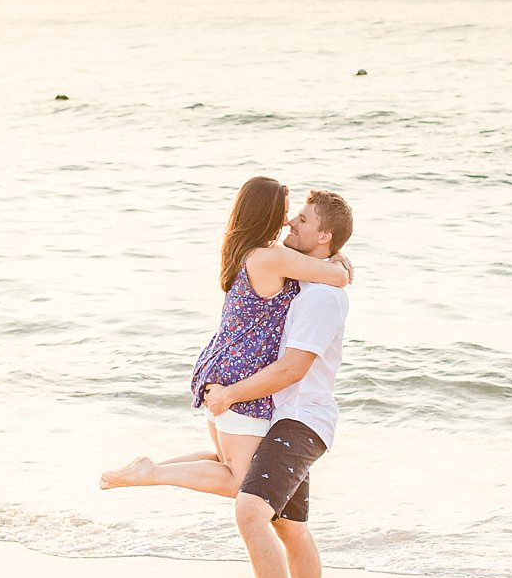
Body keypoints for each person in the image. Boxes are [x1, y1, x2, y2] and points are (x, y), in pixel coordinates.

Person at [99, 177, 350, 499]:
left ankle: (149, 468)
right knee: (239, 481)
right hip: (243, 372)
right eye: (285, 212)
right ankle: (151, 473)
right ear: (266, 215)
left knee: (224, 461)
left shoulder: (242, 251)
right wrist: (340, 258)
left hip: (220, 365)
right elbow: (337, 277)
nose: (288, 221)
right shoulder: (271, 257)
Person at [201, 187, 352, 578]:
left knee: (250, 511)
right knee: (289, 526)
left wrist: (230, 395)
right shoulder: (302, 276)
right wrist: (341, 266)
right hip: (283, 416)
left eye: (302, 221)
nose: (291, 225)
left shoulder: (321, 298)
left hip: (300, 420)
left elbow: (293, 368)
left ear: (324, 234)